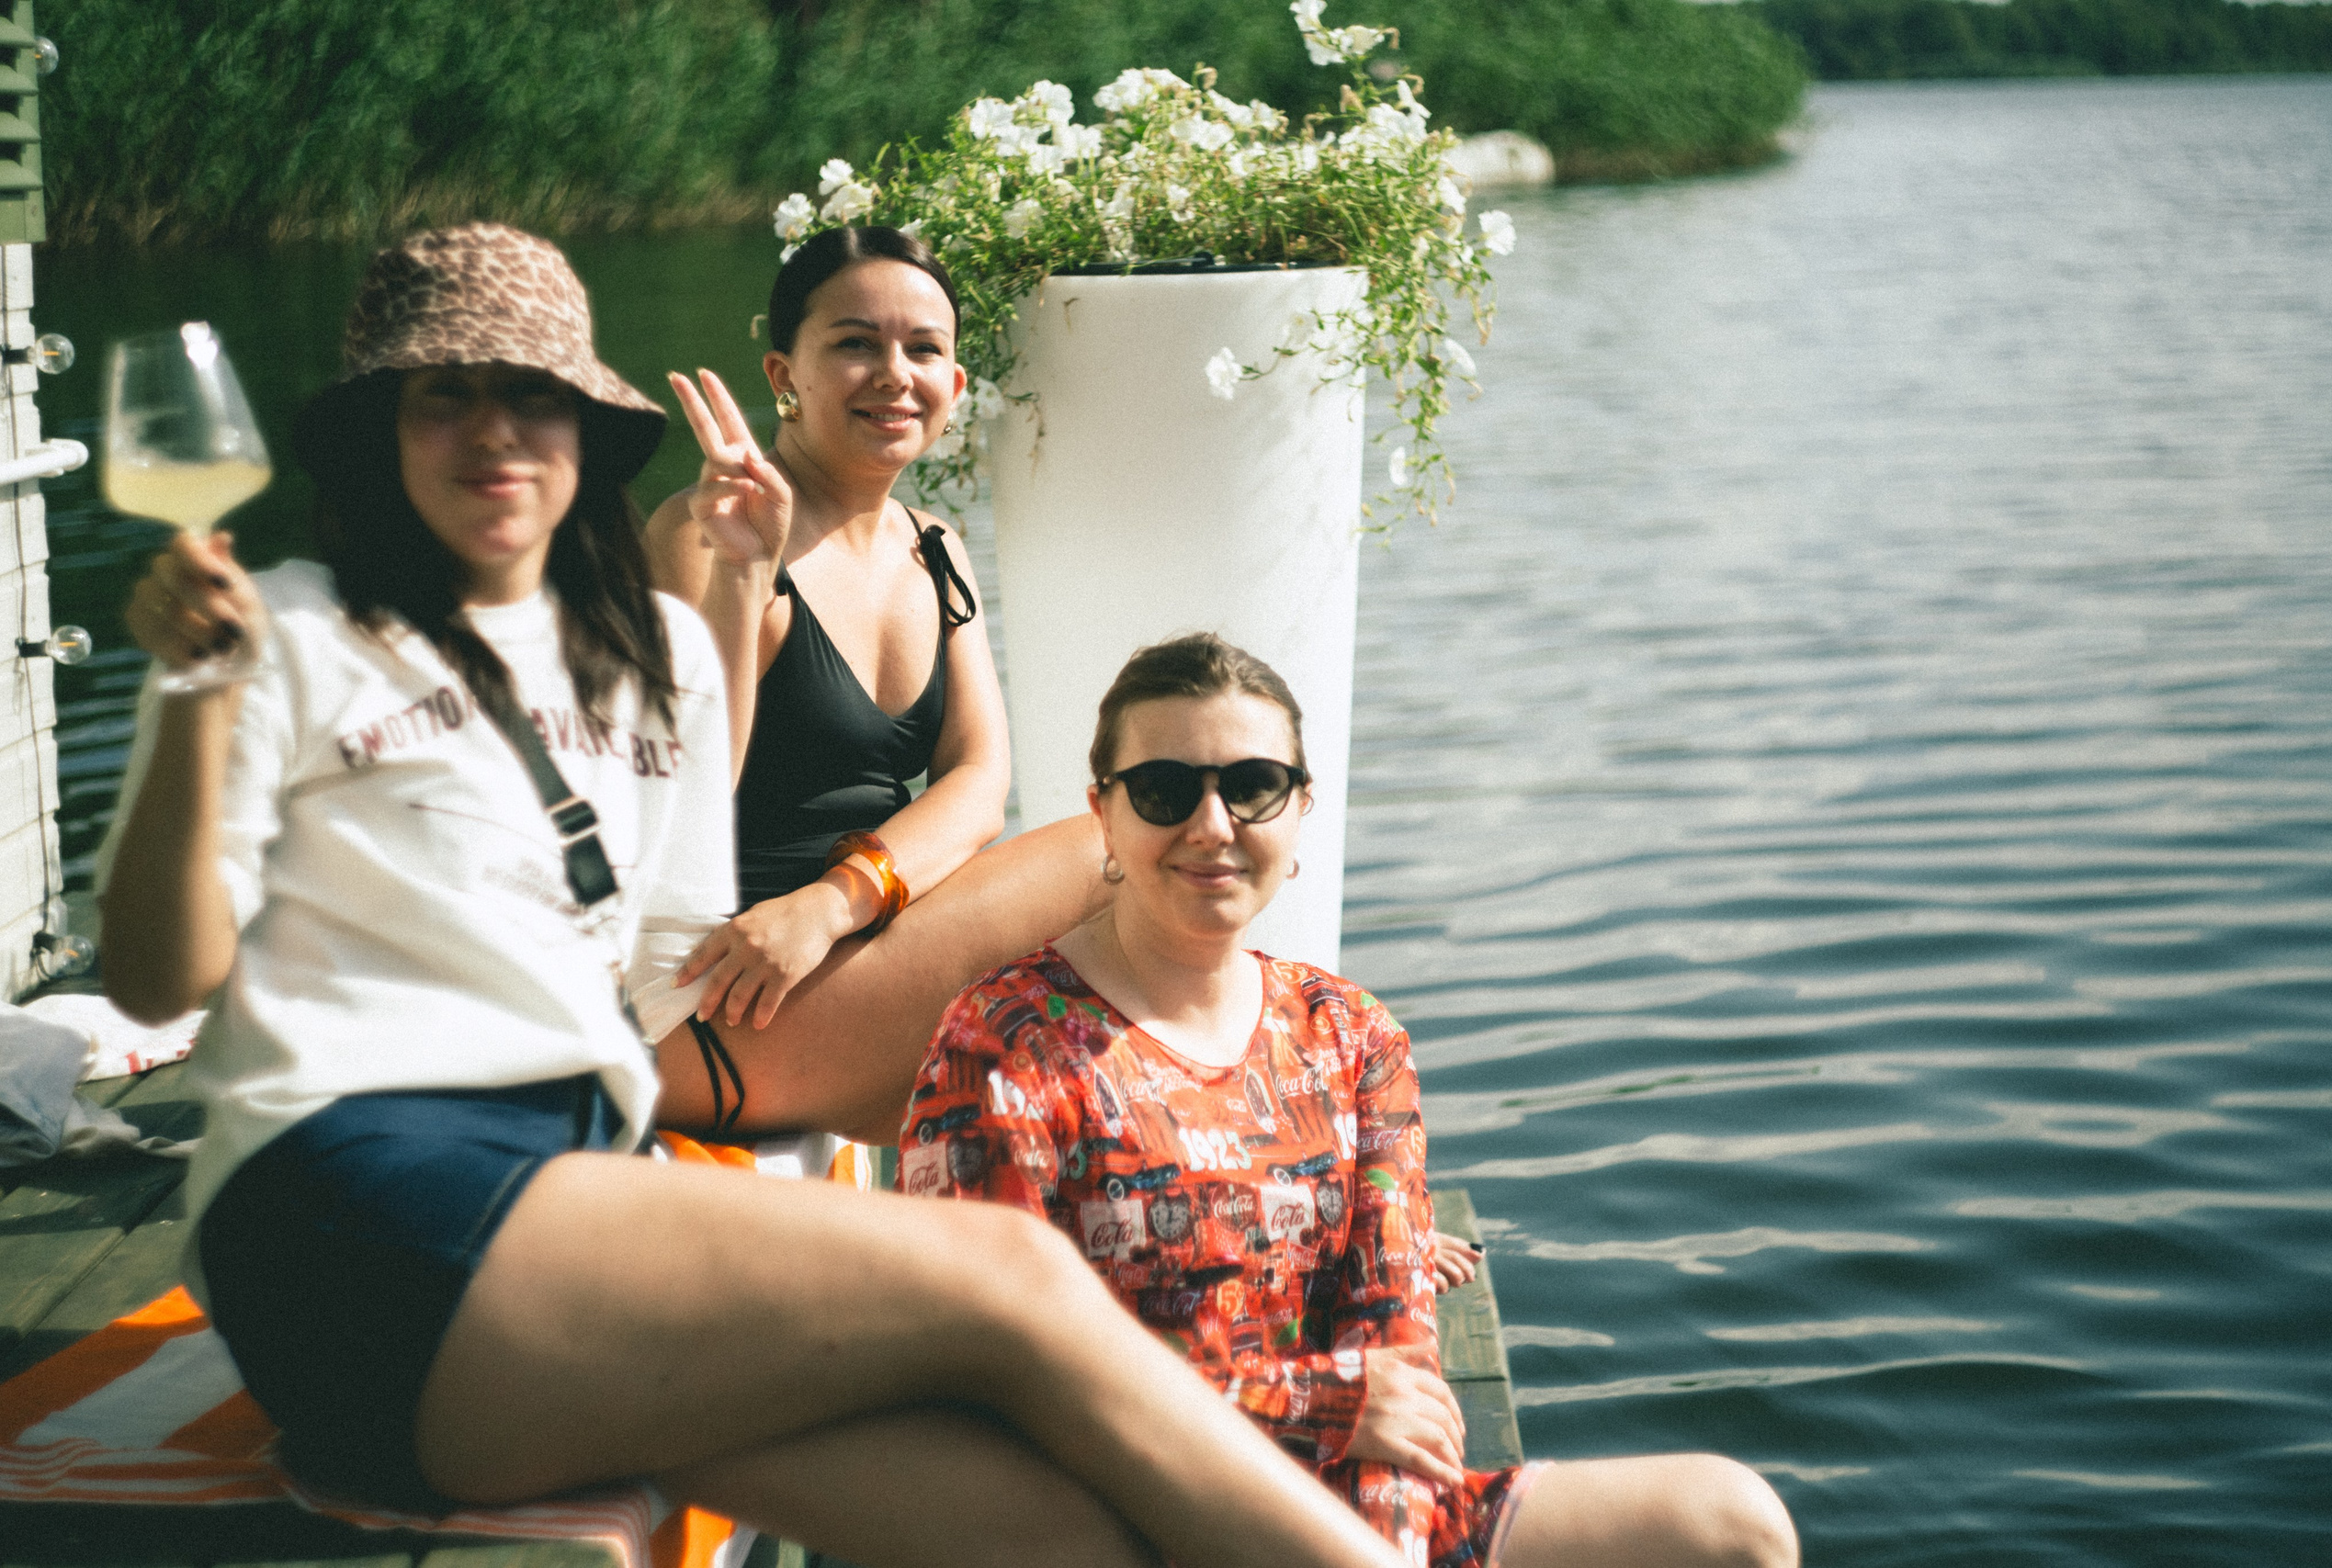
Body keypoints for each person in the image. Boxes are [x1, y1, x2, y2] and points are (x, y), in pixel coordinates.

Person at [95, 222, 1406, 1568]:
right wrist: (196, 693)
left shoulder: (635, 646)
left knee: (1039, 1516)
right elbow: (153, 978)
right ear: (382, 429)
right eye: (448, 395)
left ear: (584, 434)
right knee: (1008, 1279)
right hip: (357, 1211)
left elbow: (670, 900)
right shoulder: (292, 628)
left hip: (538, 1242)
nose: (497, 435)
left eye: (534, 397)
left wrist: (729, 595)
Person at [900, 633, 1803, 1568]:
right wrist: (1317, 1405)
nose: (1212, 825)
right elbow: (985, 1371)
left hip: (1364, 1510)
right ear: (1105, 816)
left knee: (1735, 1525)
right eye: (1166, 791)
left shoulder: (1351, 1036)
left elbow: (1394, 1354)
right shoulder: (1001, 1044)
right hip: (1123, 1519)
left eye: (1251, 787)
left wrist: (1385, 1545)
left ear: (1298, 811)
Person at [640, 225, 1105, 1137]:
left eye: (923, 350)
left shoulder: (935, 549)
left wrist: (833, 903)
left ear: (955, 388)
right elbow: (680, 797)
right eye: (855, 344)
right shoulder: (710, 533)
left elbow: (978, 784)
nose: (895, 374)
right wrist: (742, 575)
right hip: (718, 999)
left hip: (840, 949)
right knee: (1121, 850)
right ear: (783, 375)